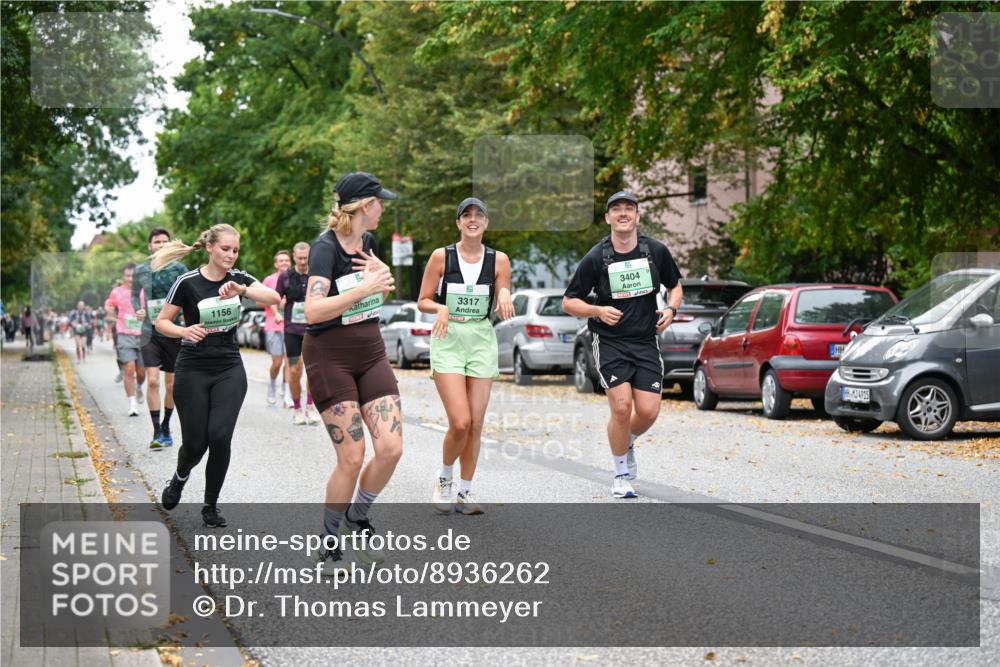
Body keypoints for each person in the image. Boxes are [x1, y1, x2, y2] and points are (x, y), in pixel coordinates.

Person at [303, 172, 401, 573]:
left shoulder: (369, 243)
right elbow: (313, 311)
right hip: (331, 356)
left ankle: (356, 517)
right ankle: (329, 545)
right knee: (352, 457)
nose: (382, 208)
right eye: (379, 202)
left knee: (392, 449)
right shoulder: (324, 249)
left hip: (371, 351)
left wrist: (383, 286)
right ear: (364, 206)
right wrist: (364, 290)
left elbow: (376, 287)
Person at [153, 223, 280, 528]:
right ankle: (179, 478)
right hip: (193, 366)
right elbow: (161, 322)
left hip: (228, 366)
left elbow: (273, 298)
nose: (231, 256)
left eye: (235, 250)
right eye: (225, 249)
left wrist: (243, 290)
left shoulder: (239, 279)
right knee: (196, 444)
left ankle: (210, 505)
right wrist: (184, 330)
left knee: (220, 437)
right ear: (209, 247)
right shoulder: (187, 282)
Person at [562, 191, 683, 499]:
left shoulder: (655, 251)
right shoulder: (596, 257)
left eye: (629, 208)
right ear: (608, 218)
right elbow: (569, 302)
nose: (623, 213)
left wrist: (671, 309)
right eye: (617, 209)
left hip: (645, 341)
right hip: (611, 341)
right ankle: (620, 474)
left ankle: (625, 439)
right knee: (621, 406)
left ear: (637, 216)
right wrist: (597, 310)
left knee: (648, 411)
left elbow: (675, 286)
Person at [418, 198, 514, 514]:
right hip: (448, 337)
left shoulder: (499, 259)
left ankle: (465, 492)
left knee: (475, 423)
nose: (473, 219)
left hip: (481, 337)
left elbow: (503, 290)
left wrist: (504, 292)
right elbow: (423, 300)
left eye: (479, 215)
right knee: (460, 421)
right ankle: (444, 477)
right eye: (466, 215)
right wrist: (440, 307)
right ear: (458, 223)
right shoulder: (441, 257)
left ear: (486, 223)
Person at [132, 227, 189, 449]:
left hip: (173, 331)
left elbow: (188, 295)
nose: (161, 245)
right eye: (157, 242)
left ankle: (166, 425)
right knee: (153, 380)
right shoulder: (141, 270)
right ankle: (157, 431)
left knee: (172, 383)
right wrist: (138, 309)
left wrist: (184, 314)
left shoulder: (179, 269)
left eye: (165, 242)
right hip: (149, 332)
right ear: (150, 246)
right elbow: (134, 296)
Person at [276, 242, 320, 425]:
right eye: (300, 258)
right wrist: (276, 312)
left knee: (312, 370)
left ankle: (310, 406)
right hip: (292, 330)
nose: (303, 261)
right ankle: (297, 408)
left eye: (306, 258)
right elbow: (275, 297)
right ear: (294, 257)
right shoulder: (285, 277)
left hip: (313, 329)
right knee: (294, 370)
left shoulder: (317, 276)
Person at [105, 264, 147, 415]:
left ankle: (139, 387)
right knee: (129, 368)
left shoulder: (143, 291)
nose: (130, 278)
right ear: (123, 276)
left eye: (133, 275)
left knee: (141, 372)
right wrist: (110, 312)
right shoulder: (117, 292)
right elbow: (109, 304)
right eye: (128, 275)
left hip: (143, 335)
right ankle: (132, 404)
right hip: (124, 334)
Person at [262, 250, 295, 413]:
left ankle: (288, 395)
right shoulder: (269, 280)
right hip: (273, 326)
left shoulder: (293, 278)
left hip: (291, 327)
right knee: (277, 363)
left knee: (290, 362)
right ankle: (272, 386)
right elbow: (262, 298)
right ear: (276, 264)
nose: (284, 263)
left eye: (286, 260)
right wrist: (275, 313)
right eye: (280, 261)